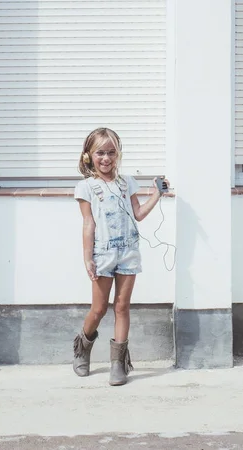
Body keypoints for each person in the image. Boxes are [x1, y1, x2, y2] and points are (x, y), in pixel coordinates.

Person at [73, 127, 169, 386]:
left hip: (128, 251)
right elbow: (88, 224)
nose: (106, 158)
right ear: (88, 156)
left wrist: (157, 194)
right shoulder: (86, 187)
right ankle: (82, 348)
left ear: (118, 155)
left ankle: (118, 363)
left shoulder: (127, 183)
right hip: (102, 254)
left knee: (122, 307)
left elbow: (138, 214)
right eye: (100, 153)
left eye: (111, 152)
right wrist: (87, 257)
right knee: (99, 308)